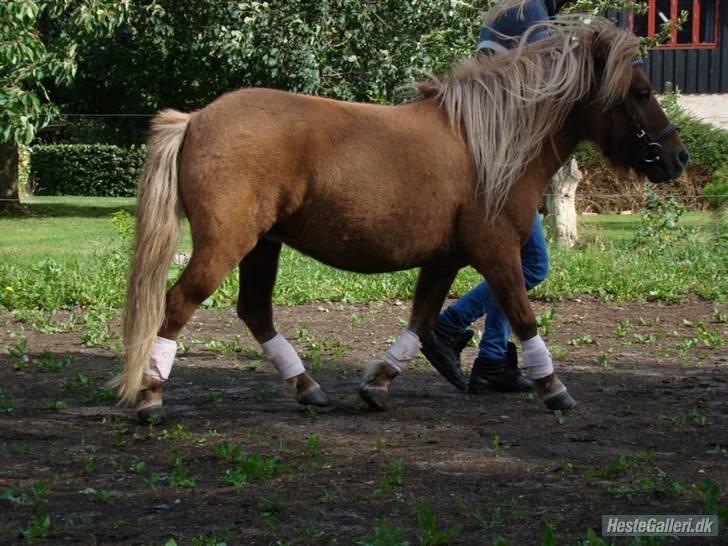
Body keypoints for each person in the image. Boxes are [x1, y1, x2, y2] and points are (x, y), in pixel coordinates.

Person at [421, 0, 563, 394]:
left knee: (518, 265)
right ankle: (450, 326)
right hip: (500, 162)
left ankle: (492, 359)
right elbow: (553, 82)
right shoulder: (530, 10)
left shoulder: (515, 9)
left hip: (493, 154)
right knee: (531, 264)